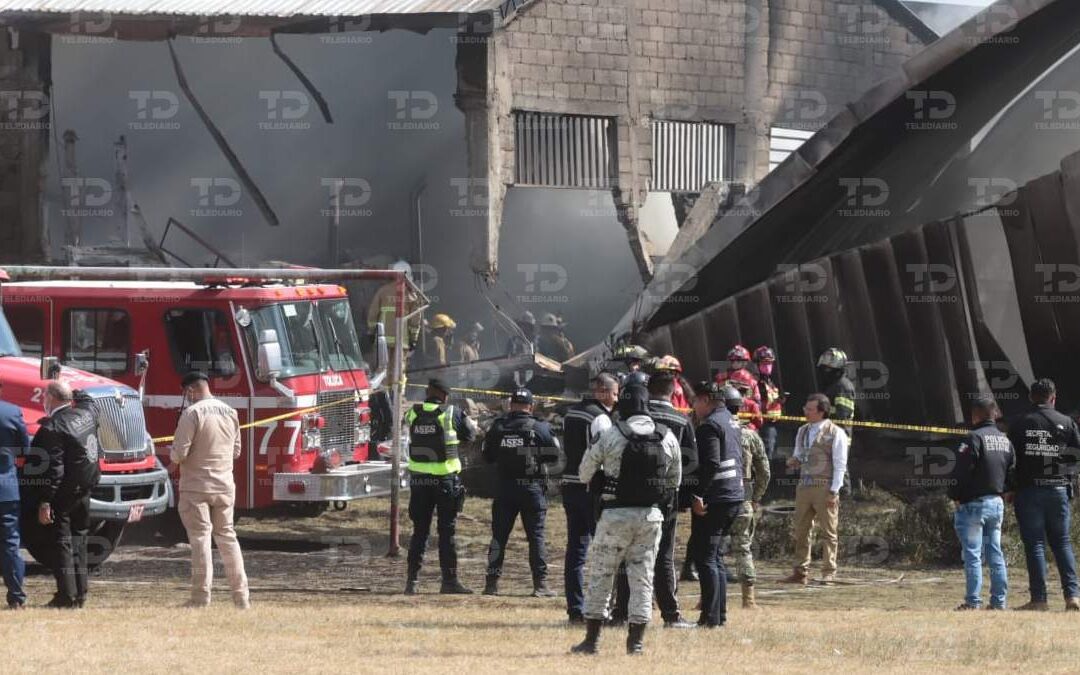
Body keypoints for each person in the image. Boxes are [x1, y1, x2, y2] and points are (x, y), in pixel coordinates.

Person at [571, 381, 681, 655]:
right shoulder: (667, 436)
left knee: (602, 576)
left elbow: (584, 473)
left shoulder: (610, 434)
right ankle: (636, 643)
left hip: (614, 515)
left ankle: (591, 641)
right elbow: (675, 482)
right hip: (651, 517)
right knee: (643, 577)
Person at [609, 371, 697, 628]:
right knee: (664, 557)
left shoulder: (630, 419)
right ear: (673, 392)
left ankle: (620, 613)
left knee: (628, 555)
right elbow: (691, 464)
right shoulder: (681, 421)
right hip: (664, 498)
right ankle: (671, 614)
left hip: (628, 496)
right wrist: (683, 499)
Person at [170, 371, 250, 609]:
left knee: (200, 540)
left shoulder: (192, 413)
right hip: (225, 485)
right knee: (227, 537)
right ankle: (241, 597)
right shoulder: (231, 412)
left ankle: (200, 597)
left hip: (196, 486)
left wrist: (172, 452)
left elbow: (180, 453)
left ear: (191, 390)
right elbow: (236, 451)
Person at [1006, 378, 1080, 611]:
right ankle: (1073, 597)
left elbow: (1010, 459)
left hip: (1029, 491)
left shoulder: (1019, 423)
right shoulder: (1066, 422)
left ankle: (1039, 600)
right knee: (1062, 543)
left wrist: (1009, 488)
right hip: (1058, 491)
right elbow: (1076, 457)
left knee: (1035, 545)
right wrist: (1068, 481)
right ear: (1053, 397)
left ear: (1031, 397)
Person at [482, 388, 560, 597]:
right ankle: (540, 585)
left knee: (499, 537)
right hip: (531, 489)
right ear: (531, 406)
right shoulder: (540, 427)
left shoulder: (498, 427)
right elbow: (554, 456)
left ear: (511, 405)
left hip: (505, 488)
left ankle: (491, 584)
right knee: (536, 538)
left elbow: (487, 456)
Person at [31, 381, 101, 609]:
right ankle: (80, 592)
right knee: (80, 541)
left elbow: (54, 470)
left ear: (51, 398)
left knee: (61, 544)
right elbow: (88, 398)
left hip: (64, 495)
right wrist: (69, 388)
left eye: (45, 397)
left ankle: (66, 596)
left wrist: (45, 501)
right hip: (85, 488)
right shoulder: (86, 413)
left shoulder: (53, 427)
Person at [404, 378, 477, 595]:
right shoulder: (451, 413)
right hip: (445, 481)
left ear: (428, 392)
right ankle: (449, 582)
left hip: (419, 481)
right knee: (447, 532)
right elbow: (470, 435)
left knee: (419, 532)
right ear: (444, 395)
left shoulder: (413, 413)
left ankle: (412, 582)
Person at [561, 373, 618, 623]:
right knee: (604, 551)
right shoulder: (600, 418)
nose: (617, 398)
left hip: (569, 485)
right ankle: (601, 609)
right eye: (615, 393)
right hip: (591, 489)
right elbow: (604, 456)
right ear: (604, 392)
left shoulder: (571, 413)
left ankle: (575, 607)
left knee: (575, 550)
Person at [948, 395, 1014, 611]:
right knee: (995, 553)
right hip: (996, 503)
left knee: (973, 555)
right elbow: (1011, 472)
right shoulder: (1005, 440)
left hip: (974, 505)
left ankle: (973, 601)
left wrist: (955, 495)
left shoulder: (973, 438)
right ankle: (998, 602)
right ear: (994, 414)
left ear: (975, 415)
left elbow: (961, 471)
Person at [689, 382, 745, 628]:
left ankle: (710, 619)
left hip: (716, 498)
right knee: (716, 557)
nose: (693, 408)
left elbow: (711, 463)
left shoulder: (710, 425)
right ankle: (719, 616)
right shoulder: (731, 421)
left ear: (704, 400)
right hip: (734, 495)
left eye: (694, 402)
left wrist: (698, 494)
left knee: (705, 558)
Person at [781, 393, 849, 585]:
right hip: (805, 484)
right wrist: (795, 461)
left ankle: (829, 571)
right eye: (806, 408)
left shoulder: (836, 433)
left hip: (824, 485)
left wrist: (834, 490)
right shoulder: (802, 430)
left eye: (810, 409)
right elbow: (800, 454)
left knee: (829, 531)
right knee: (801, 529)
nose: (805, 412)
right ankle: (800, 571)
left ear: (821, 412)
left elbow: (840, 463)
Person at [726, 385, 770, 609]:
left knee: (711, 550)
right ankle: (748, 599)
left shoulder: (710, 429)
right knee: (742, 548)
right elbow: (765, 471)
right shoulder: (750, 435)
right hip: (743, 496)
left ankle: (707, 599)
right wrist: (756, 497)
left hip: (718, 498)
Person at [0, 381, 28, 610]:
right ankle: (16, 597)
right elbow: (25, 450)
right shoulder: (12, 412)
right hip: (6, 489)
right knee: (10, 544)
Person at [366, 260, 421, 351]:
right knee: (399, 365)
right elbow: (415, 321)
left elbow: (373, 314)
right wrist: (413, 340)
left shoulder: (383, 291)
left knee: (382, 365)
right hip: (402, 343)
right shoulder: (412, 295)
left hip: (382, 343)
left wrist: (371, 332)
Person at [753, 346, 784, 459]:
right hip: (763, 425)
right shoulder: (755, 382)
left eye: (770, 363)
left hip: (773, 424)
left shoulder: (769, 381)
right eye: (764, 363)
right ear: (757, 364)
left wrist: (779, 401)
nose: (768, 366)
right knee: (766, 456)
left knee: (772, 455)